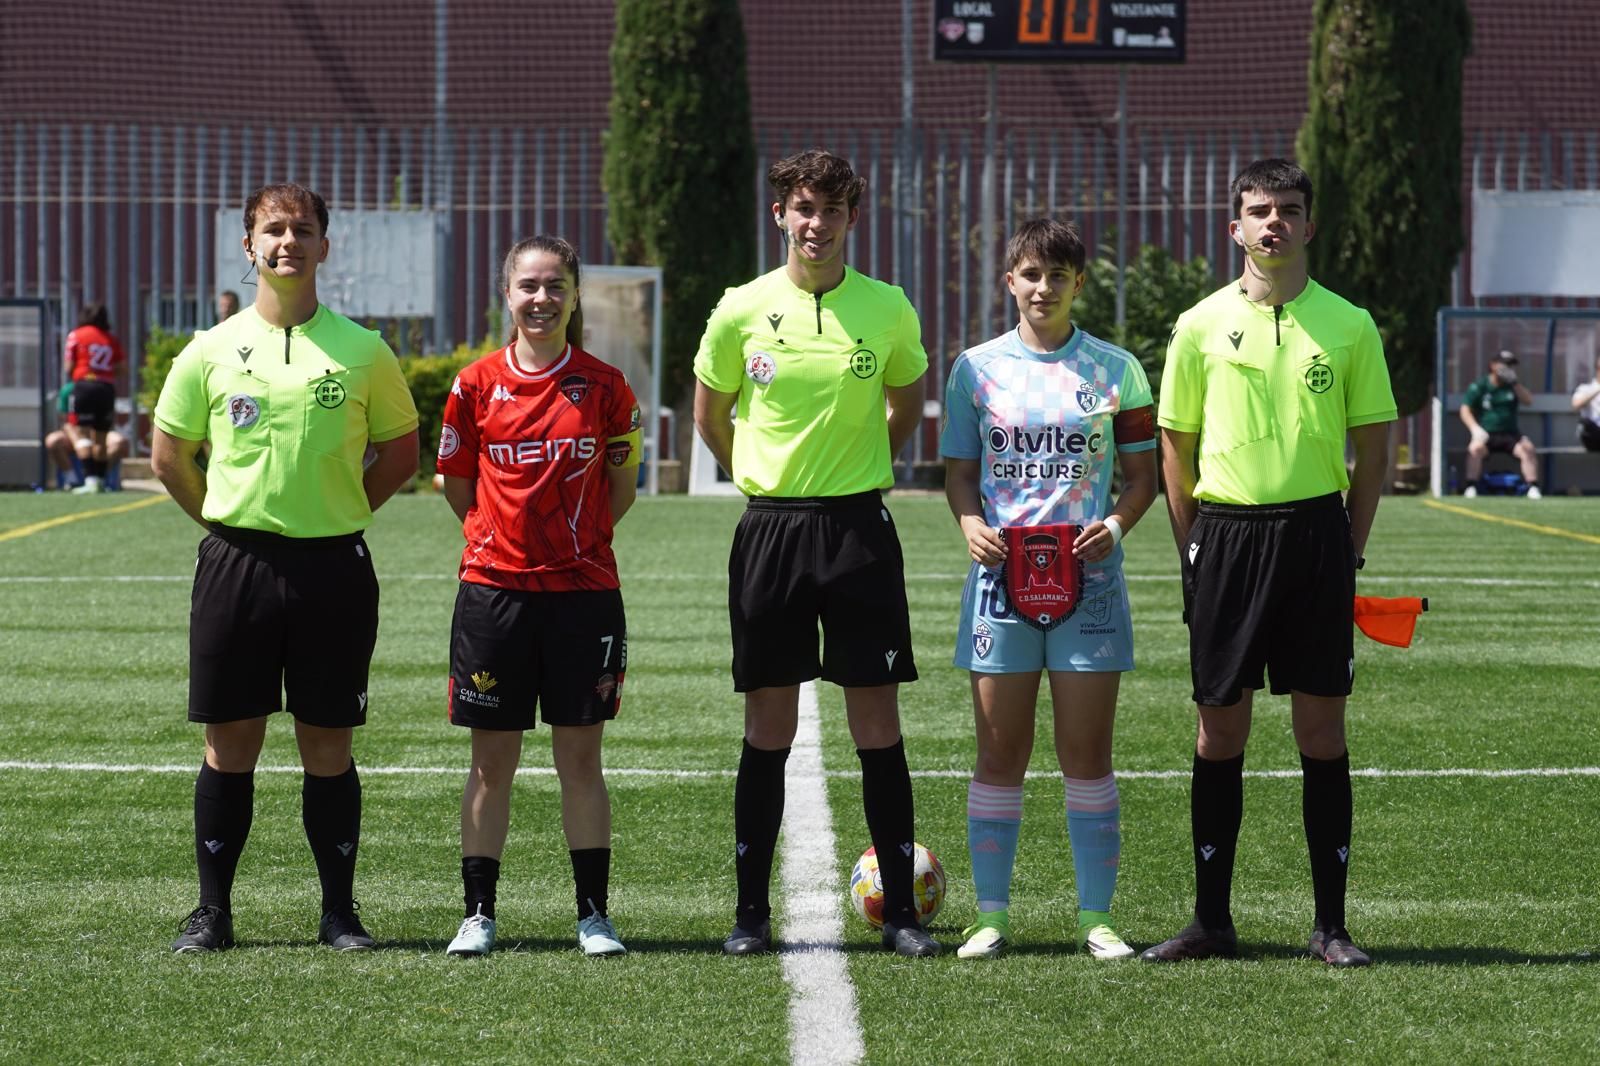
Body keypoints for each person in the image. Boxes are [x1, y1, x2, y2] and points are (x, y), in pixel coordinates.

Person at [151, 183, 420, 954]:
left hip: (333, 568)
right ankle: (212, 912)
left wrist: (341, 512)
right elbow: (171, 456)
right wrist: (224, 524)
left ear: (324, 247)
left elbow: (401, 452)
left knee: (326, 743)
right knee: (228, 742)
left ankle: (339, 913)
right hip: (236, 565)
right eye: (273, 230)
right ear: (249, 246)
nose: (287, 242)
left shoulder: (365, 350)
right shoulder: (208, 349)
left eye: (302, 230)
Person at [1143, 159, 1395, 968]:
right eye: (1259, 210)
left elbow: (1375, 443)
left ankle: (1331, 926)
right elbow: (1173, 445)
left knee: (1321, 733)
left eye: (1288, 209)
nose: (1274, 222)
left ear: (1309, 225)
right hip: (1228, 538)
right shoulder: (1198, 325)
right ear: (1236, 227)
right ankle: (1211, 921)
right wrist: (1194, 541)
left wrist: (1348, 545)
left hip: (1317, 537)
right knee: (1219, 732)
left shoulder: (1350, 324)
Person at [692, 148, 937, 957]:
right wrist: (762, 477)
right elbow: (710, 413)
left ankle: (900, 913)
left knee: (876, 722)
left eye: (830, 211)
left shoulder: (889, 308)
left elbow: (903, 405)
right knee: (769, 725)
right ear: (780, 216)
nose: (816, 224)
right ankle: (750, 916)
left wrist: (863, 460)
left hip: (859, 530)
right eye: (803, 209)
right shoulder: (740, 308)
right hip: (772, 531)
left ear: (851, 220)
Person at [941, 219, 1157, 961]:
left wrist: (1119, 527)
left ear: (1078, 284)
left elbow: (1142, 478)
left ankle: (1095, 919)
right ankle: (991, 917)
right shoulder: (974, 369)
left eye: (1057, 276)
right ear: (1010, 282)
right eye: (1030, 274)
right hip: (1000, 584)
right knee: (1000, 752)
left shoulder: (1117, 369)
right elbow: (961, 474)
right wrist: (970, 524)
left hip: (1089, 583)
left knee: (1086, 752)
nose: (1043, 288)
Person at [435, 236, 642, 959]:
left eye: (555, 286)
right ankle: (479, 915)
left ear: (575, 295)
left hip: (584, 597)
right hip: (494, 595)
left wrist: (577, 547)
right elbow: (457, 484)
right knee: (492, 763)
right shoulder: (473, 385)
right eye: (528, 285)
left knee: (580, 760)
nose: (541, 298)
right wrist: (499, 541)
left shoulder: (607, 386)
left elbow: (622, 489)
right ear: (506, 294)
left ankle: (593, 916)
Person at [63, 303, 127, 494]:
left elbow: (68, 367)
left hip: (84, 387)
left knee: (81, 433)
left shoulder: (76, 335)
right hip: (106, 388)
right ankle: (100, 481)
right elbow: (123, 368)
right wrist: (104, 372)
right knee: (101, 437)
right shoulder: (111, 339)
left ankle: (90, 481)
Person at [1459, 350, 1541, 497]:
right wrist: (1475, 429)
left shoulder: (1513, 386)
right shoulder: (1481, 385)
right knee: (1475, 449)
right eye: (1505, 365)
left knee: (1527, 448)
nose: (1508, 369)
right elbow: (1465, 410)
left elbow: (1528, 400)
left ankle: (1532, 486)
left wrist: (1515, 383)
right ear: (1493, 365)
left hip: (1510, 434)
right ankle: (1471, 486)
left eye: (1510, 366)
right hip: (1486, 434)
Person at [1571, 355, 1600, 452]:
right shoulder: (1586, 388)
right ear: (1598, 369)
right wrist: (1598, 390)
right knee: (1584, 424)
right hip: (1593, 434)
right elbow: (1576, 405)